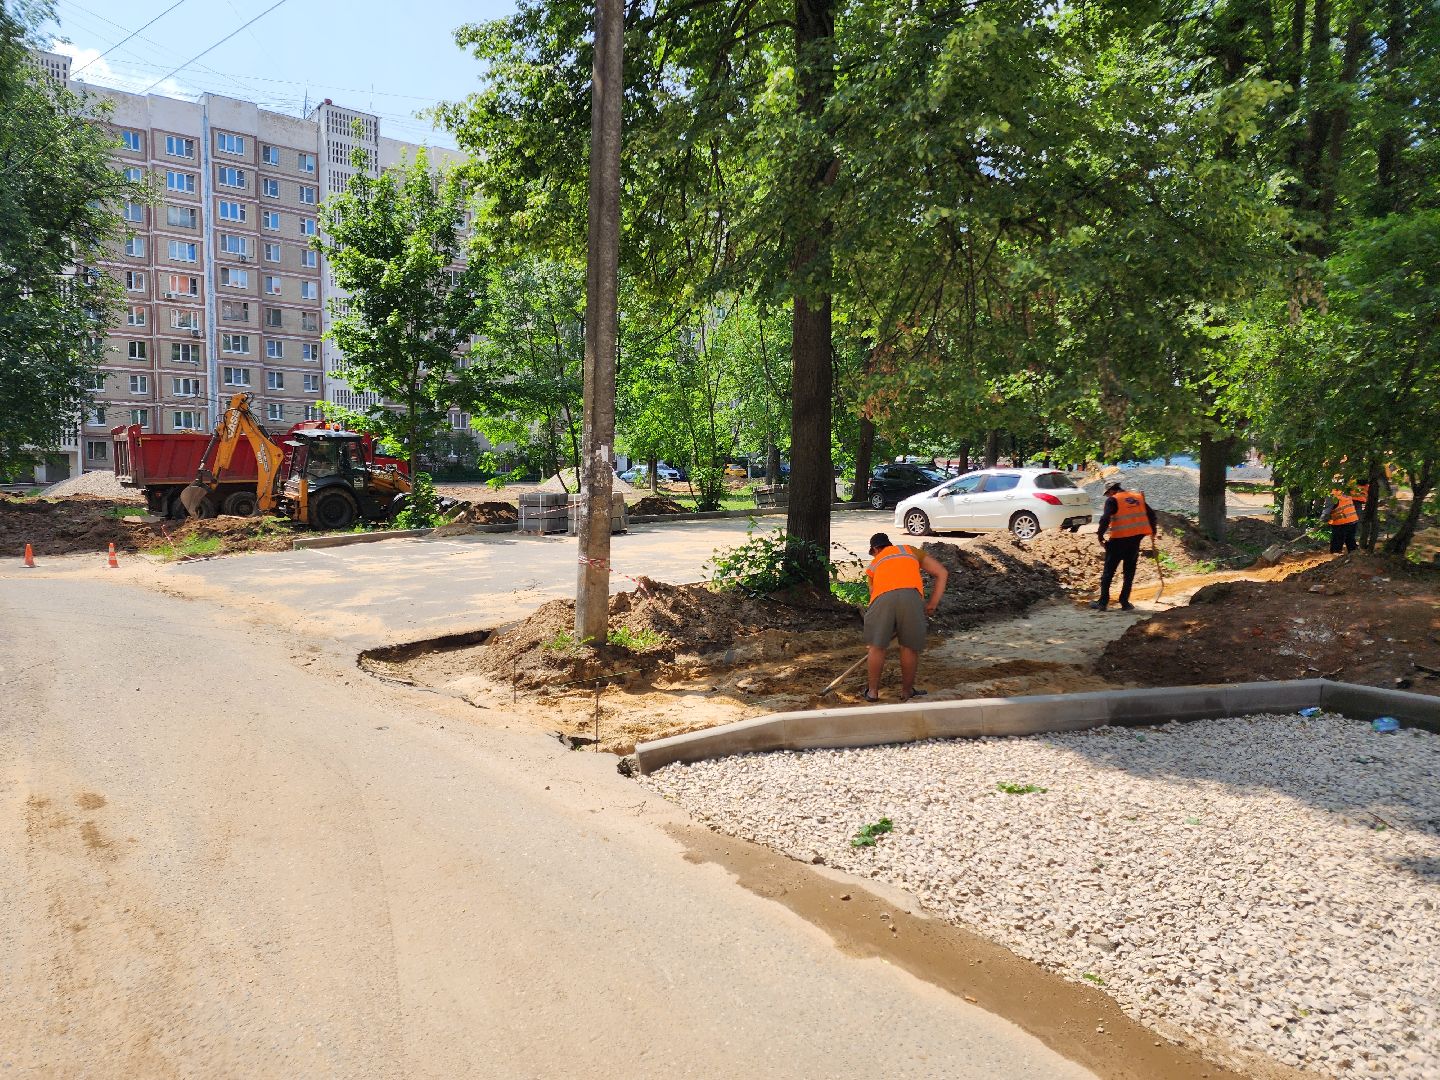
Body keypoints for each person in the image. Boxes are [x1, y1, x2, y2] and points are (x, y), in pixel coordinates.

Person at [863, 532, 949, 703]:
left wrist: (889, 622)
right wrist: (932, 604)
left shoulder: (873, 565)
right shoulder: (909, 550)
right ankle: (907, 692)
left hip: (882, 599)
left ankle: (872, 692)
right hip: (911, 595)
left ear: (875, 549)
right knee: (908, 647)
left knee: (876, 647)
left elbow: (874, 594)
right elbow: (942, 573)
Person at [1091, 481, 1158, 611]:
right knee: (1129, 572)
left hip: (1118, 541)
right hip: (1135, 540)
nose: (1107, 497)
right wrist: (1153, 531)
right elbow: (1152, 515)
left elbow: (1105, 519)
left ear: (1111, 491)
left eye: (1107, 494)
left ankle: (1103, 602)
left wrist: (1100, 535)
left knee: (1108, 572)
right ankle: (1125, 602)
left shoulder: (1113, 500)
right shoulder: (1137, 498)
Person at [1321, 486, 1359, 553]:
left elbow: (1326, 511)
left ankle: (1334, 560)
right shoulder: (1345, 491)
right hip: (1353, 520)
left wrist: (1321, 521)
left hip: (1341, 524)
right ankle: (1355, 558)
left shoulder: (1331, 495)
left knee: (1336, 545)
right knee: (1351, 541)